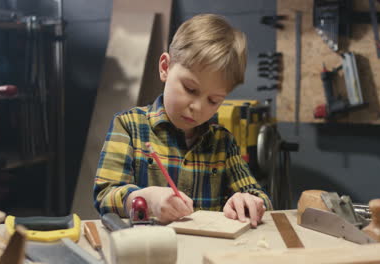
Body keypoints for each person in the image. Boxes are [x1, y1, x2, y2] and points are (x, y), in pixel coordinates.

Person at [93, 14, 272, 227]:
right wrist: (146, 199)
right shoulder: (129, 126)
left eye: (213, 100)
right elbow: (105, 196)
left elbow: (260, 199)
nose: (197, 107)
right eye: (190, 89)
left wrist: (248, 201)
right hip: (148, 251)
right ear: (165, 67)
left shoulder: (223, 142)